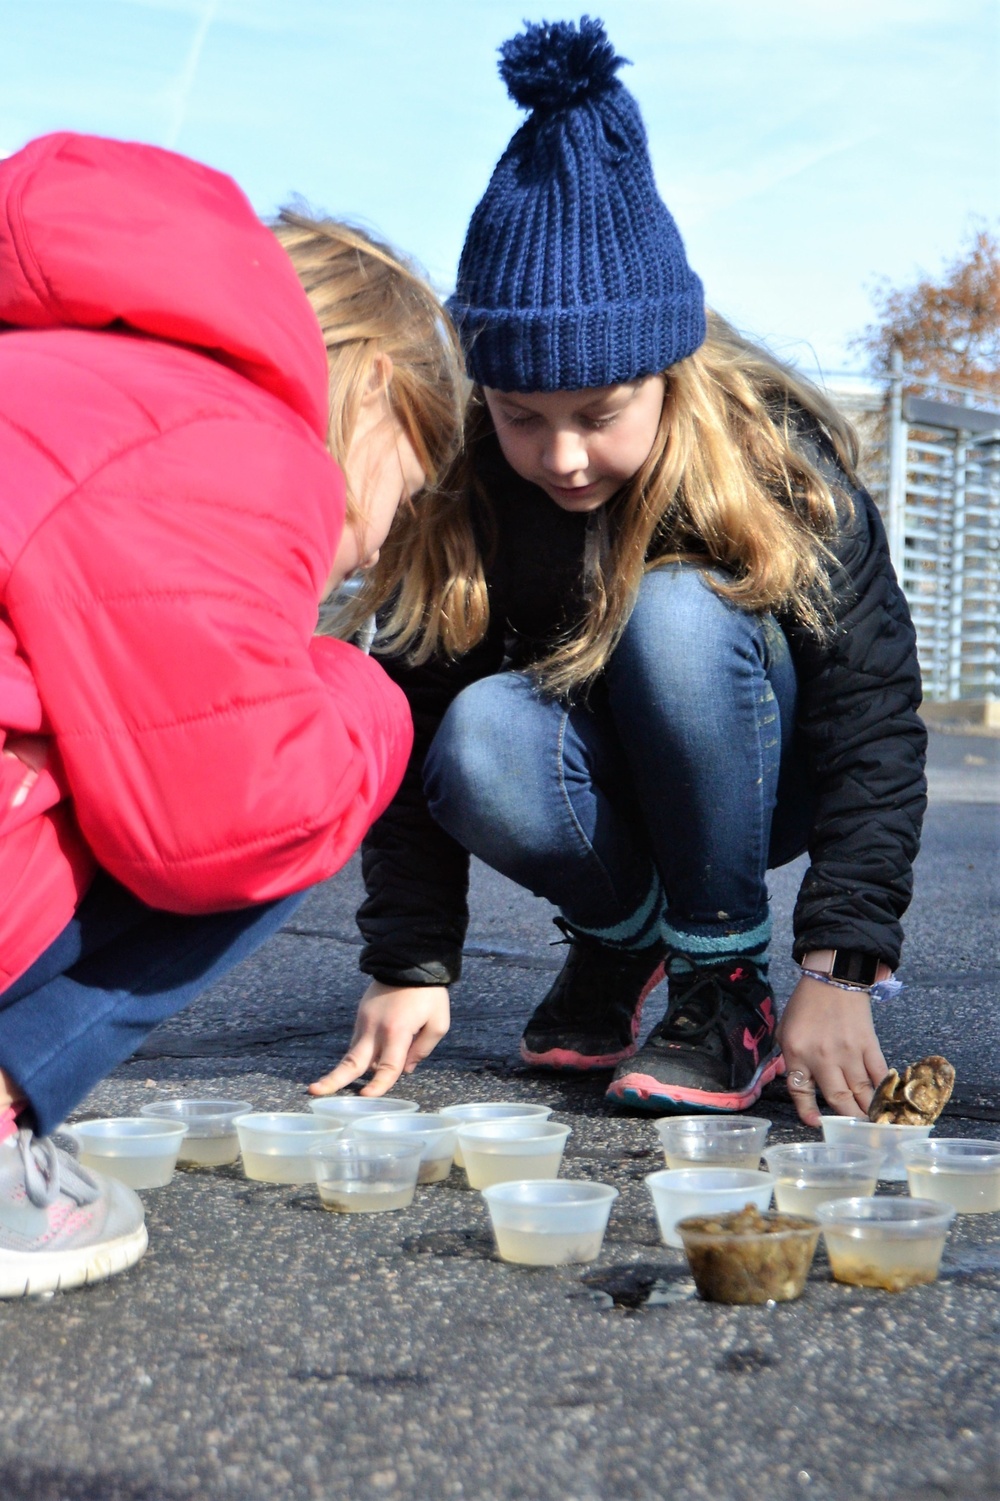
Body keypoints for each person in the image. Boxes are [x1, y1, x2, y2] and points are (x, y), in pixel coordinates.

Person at [314, 17, 927, 1129]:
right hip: (593, 781)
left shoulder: (771, 455)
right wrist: (410, 960)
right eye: (520, 417)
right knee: (479, 730)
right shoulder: (468, 486)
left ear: (669, 371)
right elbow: (401, 737)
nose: (560, 456)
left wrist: (838, 974)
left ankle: (721, 981)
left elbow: (870, 716)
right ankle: (626, 937)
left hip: (753, 775)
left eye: (600, 415)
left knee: (679, 610)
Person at [0, 131, 464, 1296]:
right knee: (300, 759)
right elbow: (237, 818)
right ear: (372, 386)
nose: (374, 542)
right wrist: (361, 694)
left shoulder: (55, 377)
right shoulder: (226, 439)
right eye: (401, 496)